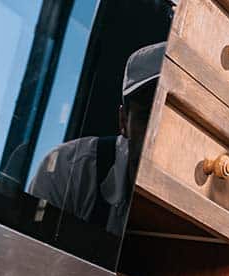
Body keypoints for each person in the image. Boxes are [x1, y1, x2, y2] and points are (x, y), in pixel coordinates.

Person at [29, 41, 165, 236]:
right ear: (123, 121)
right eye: (147, 116)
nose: (158, 132)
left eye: (171, 119)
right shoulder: (68, 170)